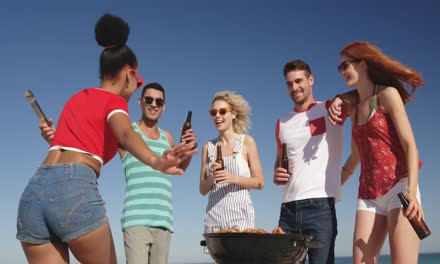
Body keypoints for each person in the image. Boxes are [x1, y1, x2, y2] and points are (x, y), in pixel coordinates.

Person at [17, 14, 196, 264]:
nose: (136, 86)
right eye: (138, 81)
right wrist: (156, 161)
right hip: (74, 188)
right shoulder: (114, 102)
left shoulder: (78, 97)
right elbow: (125, 133)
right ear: (128, 73)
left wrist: (53, 138)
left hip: (33, 192)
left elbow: (72, 147)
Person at [337, 41, 425, 263]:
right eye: (340, 68)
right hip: (368, 194)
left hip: (400, 187)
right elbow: (355, 157)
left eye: (345, 65)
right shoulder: (354, 109)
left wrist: (411, 192)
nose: (342, 72)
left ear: (363, 64)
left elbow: (410, 145)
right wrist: (331, 187)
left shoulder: (387, 95)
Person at [273, 59, 348, 264]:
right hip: (288, 209)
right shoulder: (282, 122)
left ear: (311, 80)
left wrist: (341, 98)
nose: (294, 87)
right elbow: (279, 159)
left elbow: (361, 95)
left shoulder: (329, 108)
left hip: (320, 207)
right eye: (289, 83)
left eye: (299, 81)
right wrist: (277, 172)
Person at [119, 82, 195, 264]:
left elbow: (180, 169)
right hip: (136, 219)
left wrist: (189, 148)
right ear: (140, 101)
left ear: (164, 106)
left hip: (163, 220)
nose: (154, 104)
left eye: (159, 101)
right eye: (149, 99)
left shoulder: (167, 137)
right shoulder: (127, 133)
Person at [199, 91, 264, 233]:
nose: (217, 116)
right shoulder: (207, 147)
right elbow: (202, 190)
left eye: (222, 111)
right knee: (217, 256)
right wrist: (212, 178)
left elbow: (260, 182)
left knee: (241, 255)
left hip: (240, 217)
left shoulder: (247, 142)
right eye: (213, 112)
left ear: (233, 114)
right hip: (214, 217)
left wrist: (232, 178)